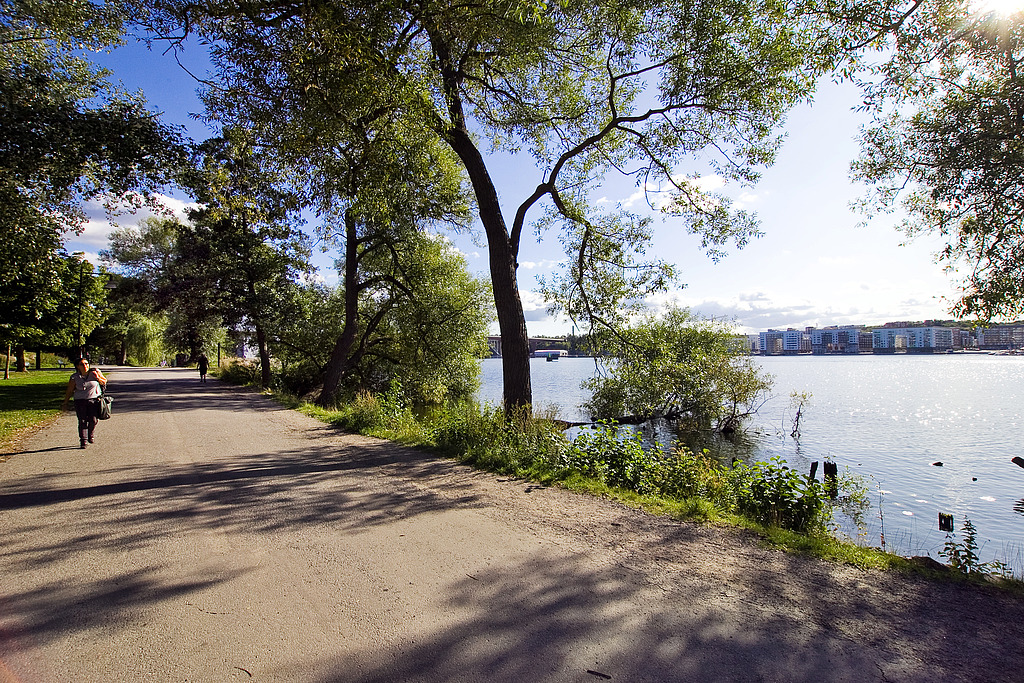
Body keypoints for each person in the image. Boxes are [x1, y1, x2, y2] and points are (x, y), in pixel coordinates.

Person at [62, 358, 107, 449]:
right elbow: (70, 390)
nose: (85, 366)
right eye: (82, 364)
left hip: (94, 401)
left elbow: (104, 382)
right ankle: (83, 440)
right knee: (82, 420)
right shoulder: (74, 377)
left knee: (93, 420)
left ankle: (90, 434)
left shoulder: (95, 372)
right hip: (80, 401)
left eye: (86, 363)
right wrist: (65, 402)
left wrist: (97, 377)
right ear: (78, 366)